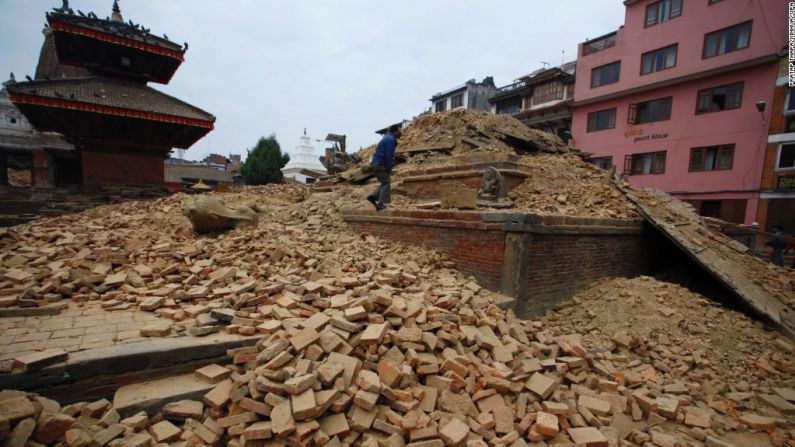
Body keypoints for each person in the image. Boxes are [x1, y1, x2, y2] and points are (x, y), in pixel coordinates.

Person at [366, 124, 401, 211]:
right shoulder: (390, 139)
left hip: (375, 163)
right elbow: (389, 155)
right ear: (396, 131)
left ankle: (373, 197)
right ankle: (380, 204)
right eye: (400, 130)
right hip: (380, 163)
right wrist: (389, 168)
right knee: (387, 183)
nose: (401, 132)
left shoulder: (387, 138)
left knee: (384, 182)